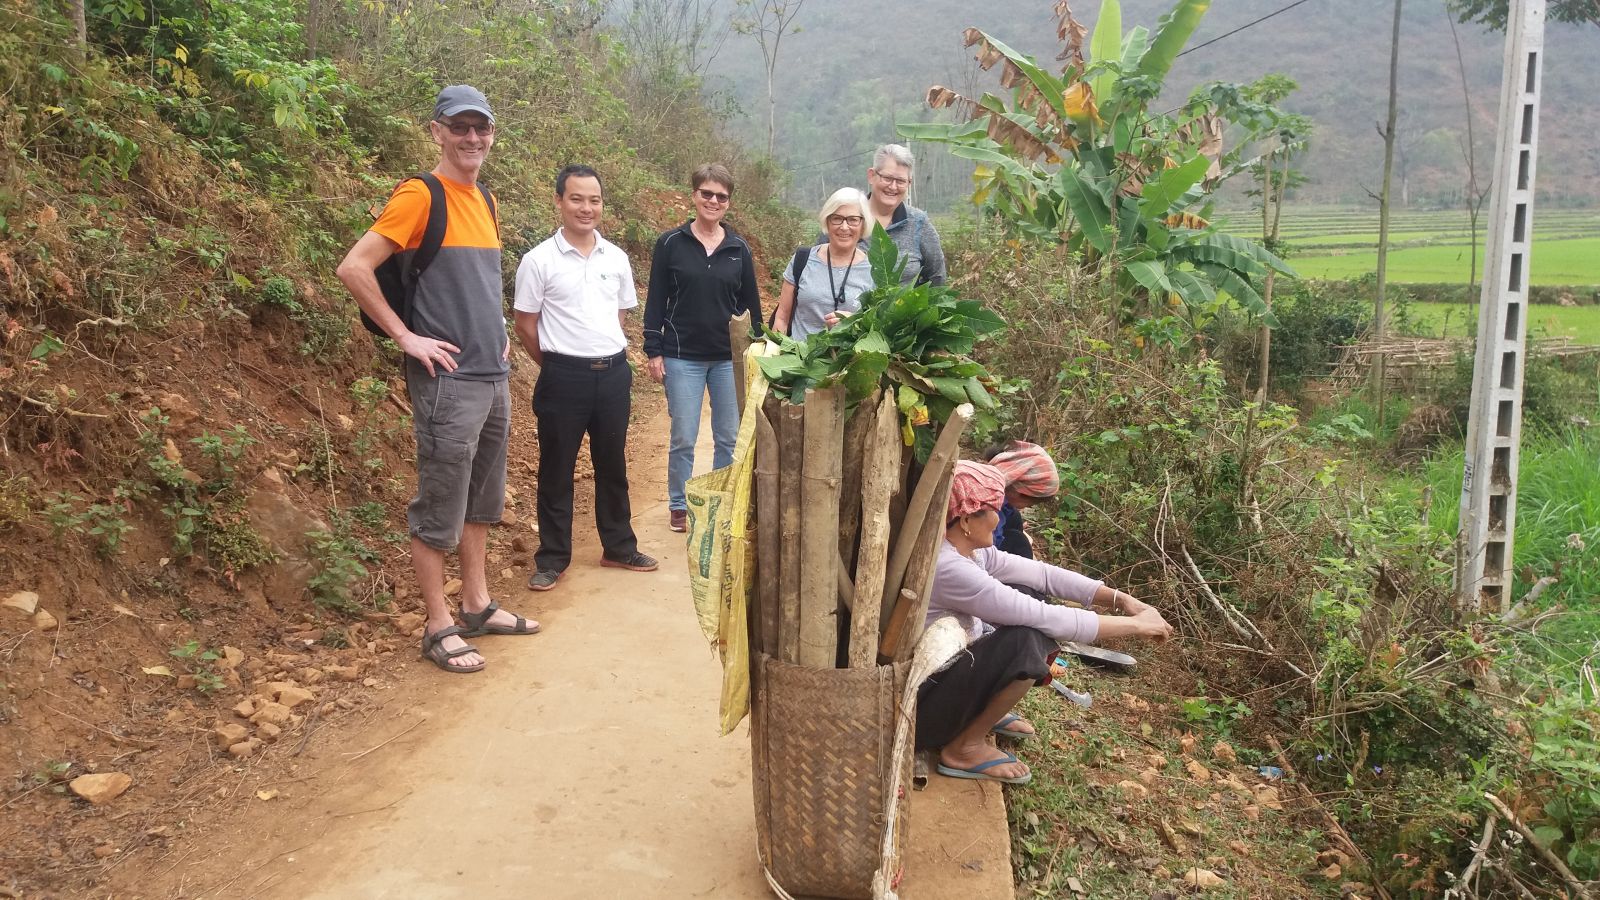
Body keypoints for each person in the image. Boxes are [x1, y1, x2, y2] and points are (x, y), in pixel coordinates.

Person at [336, 85, 537, 675]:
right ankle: (437, 623)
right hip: (448, 380)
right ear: (437, 132)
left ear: (492, 134)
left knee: (481, 500)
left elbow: (474, 282)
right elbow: (354, 267)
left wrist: (497, 329)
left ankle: (476, 604)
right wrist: (406, 336)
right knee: (441, 501)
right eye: (460, 127)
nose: (472, 138)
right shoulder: (420, 195)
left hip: (492, 373)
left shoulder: (486, 200)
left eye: (481, 127)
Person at [917, 461, 1173, 785]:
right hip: (921, 710)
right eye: (993, 510)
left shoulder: (968, 551)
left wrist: (1121, 599)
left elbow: (1042, 574)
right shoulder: (950, 567)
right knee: (1027, 641)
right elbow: (1045, 617)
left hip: (942, 682)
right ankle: (964, 749)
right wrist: (1136, 626)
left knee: (1030, 598)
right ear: (966, 520)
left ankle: (981, 712)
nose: (999, 519)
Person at [513, 164, 658, 591]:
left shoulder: (616, 258)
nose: (586, 208)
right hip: (563, 377)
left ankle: (619, 546)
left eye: (594, 200)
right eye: (576, 198)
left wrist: (600, 354)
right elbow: (525, 324)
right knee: (556, 468)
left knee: (612, 463)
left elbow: (619, 315)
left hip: (612, 375)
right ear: (559, 201)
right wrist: (556, 364)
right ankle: (552, 558)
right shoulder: (538, 260)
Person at [642, 164, 762, 533]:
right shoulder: (671, 244)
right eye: (706, 193)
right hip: (682, 356)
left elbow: (751, 305)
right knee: (684, 436)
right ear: (694, 195)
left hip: (728, 358)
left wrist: (757, 348)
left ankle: (718, 502)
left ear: (729, 202)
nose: (713, 201)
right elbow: (656, 299)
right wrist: (653, 349)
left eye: (721, 196)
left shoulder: (738, 248)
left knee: (728, 437)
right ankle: (680, 504)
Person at [772, 188, 875, 340]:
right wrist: (774, 349)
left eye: (853, 219)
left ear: (863, 224)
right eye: (837, 218)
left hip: (850, 354)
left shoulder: (873, 270)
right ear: (827, 221)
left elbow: (876, 328)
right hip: (797, 353)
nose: (844, 227)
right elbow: (782, 317)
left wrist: (855, 322)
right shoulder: (803, 259)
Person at [864, 144, 946, 287]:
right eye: (887, 178)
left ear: (909, 183)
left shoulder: (919, 223)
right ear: (871, 175)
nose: (893, 187)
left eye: (900, 181)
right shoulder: (845, 220)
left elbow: (937, 278)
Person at [984, 440, 1060, 560]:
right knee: (1019, 542)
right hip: (984, 551)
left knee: (1015, 518)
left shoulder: (1003, 497)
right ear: (1017, 491)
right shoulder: (987, 502)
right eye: (1029, 503)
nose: (1026, 507)